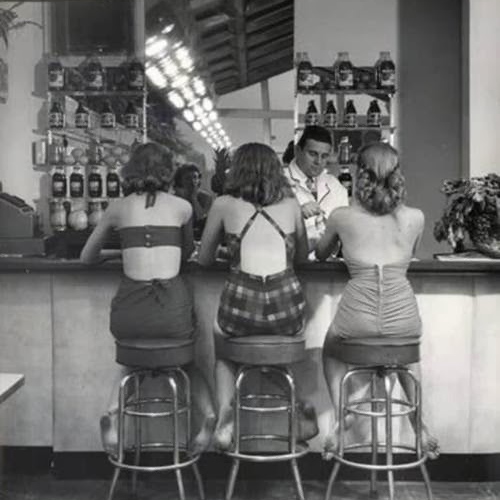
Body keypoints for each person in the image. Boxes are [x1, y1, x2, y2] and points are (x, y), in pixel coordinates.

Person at [80, 142, 215, 457]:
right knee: (186, 360)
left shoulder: (118, 208)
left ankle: (113, 412)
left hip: (130, 312)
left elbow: (87, 257)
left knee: (134, 359)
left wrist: (118, 253)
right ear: (169, 171)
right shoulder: (182, 207)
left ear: (131, 170)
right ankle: (208, 414)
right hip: (170, 313)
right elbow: (185, 255)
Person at [315, 142, 439, 460]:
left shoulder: (341, 216)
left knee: (330, 348)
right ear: (397, 174)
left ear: (361, 175)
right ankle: (419, 423)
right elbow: (411, 253)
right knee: (406, 355)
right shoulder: (415, 217)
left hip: (355, 319)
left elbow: (321, 253)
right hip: (403, 317)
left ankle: (343, 413)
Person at [197, 142, 316, 450]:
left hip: (241, 306)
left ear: (236, 170)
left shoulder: (223, 203)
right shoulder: (291, 204)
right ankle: (299, 406)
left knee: (223, 348)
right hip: (286, 307)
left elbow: (204, 259)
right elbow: (302, 258)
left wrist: (231, 251)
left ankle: (226, 416)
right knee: (280, 343)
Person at [283, 126, 348, 257]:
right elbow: (266, 232)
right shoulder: (278, 181)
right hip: (289, 263)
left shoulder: (334, 185)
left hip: (327, 264)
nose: (318, 162)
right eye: (312, 154)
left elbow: (344, 231)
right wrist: (296, 215)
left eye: (324, 156)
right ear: (298, 151)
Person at [173, 163, 214, 240]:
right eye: (187, 178)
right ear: (180, 180)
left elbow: (201, 218)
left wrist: (194, 198)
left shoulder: (206, 198)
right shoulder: (176, 198)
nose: (192, 181)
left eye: (195, 177)